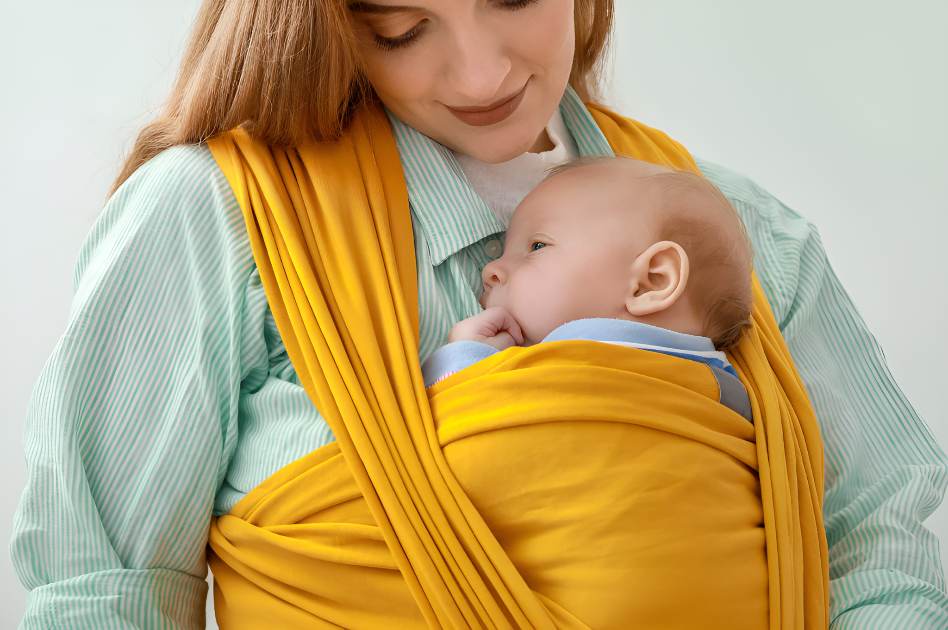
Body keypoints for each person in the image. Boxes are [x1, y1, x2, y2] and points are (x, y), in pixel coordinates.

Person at [10, 0, 946, 628]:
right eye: (402, 27)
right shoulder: (214, 217)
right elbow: (103, 590)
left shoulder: (741, 232)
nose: (481, 70)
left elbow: (877, 545)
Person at [422, 156, 754, 424]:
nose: (490, 270)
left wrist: (464, 360)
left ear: (652, 281)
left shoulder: (563, 372)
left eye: (537, 245)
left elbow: (465, 427)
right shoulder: (732, 398)